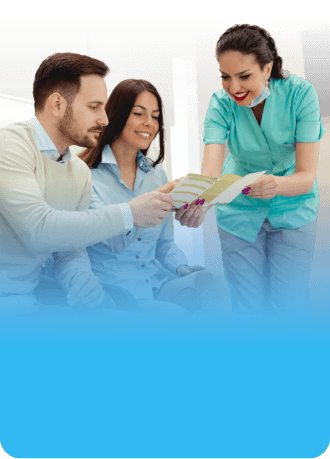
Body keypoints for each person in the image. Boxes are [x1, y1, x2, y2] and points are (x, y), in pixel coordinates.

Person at [0, 53, 174, 315]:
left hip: (27, 301)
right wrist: (130, 213)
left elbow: (68, 249)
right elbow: (39, 229)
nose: (104, 119)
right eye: (94, 107)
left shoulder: (78, 171)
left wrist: (85, 287)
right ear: (57, 105)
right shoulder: (10, 145)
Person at [175, 24, 326, 316]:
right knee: (247, 307)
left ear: (267, 69)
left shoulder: (301, 94)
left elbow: (306, 177)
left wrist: (276, 186)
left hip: (294, 206)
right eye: (225, 77)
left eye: (244, 76)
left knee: (288, 307)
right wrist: (199, 201)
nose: (234, 88)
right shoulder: (221, 104)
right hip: (239, 211)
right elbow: (211, 170)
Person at [52, 78, 231, 315]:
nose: (149, 123)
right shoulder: (83, 175)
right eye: (139, 113)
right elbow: (113, 239)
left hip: (155, 284)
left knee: (213, 282)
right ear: (116, 115)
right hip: (114, 291)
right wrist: (157, 197)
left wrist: (180, 267)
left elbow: (164, 243)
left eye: (155, 116)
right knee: (175, 317)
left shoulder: (156, 175)